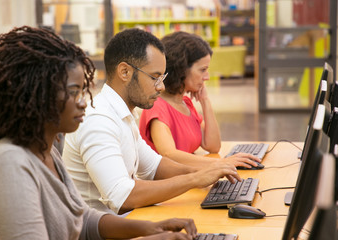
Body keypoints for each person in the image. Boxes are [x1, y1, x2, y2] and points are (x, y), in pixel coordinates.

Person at [0, 26, 198, 240]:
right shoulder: (9, 163)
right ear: (37, 94)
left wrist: (149, 228)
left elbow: (83, 221)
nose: (84, 102)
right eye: (74, 92)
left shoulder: (46, 152)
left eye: (83, 91)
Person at [62, 28, 256, 216]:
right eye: (155, 77)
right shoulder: (99, 120)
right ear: (124, 72)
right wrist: (195, 177)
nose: (161, 87)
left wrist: (208, 171)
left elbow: (154, 167)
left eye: (161, 77)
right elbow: (122, 197)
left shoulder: (122, 115)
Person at [138, 31, 261, 168]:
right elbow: (169, 155)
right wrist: (222, 163)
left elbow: (213, 146)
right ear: (181, 70)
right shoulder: (157, 106)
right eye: (202, 70)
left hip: (187, 180)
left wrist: (205, 101)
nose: (207, 77)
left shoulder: (185, 103)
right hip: (170, 186)